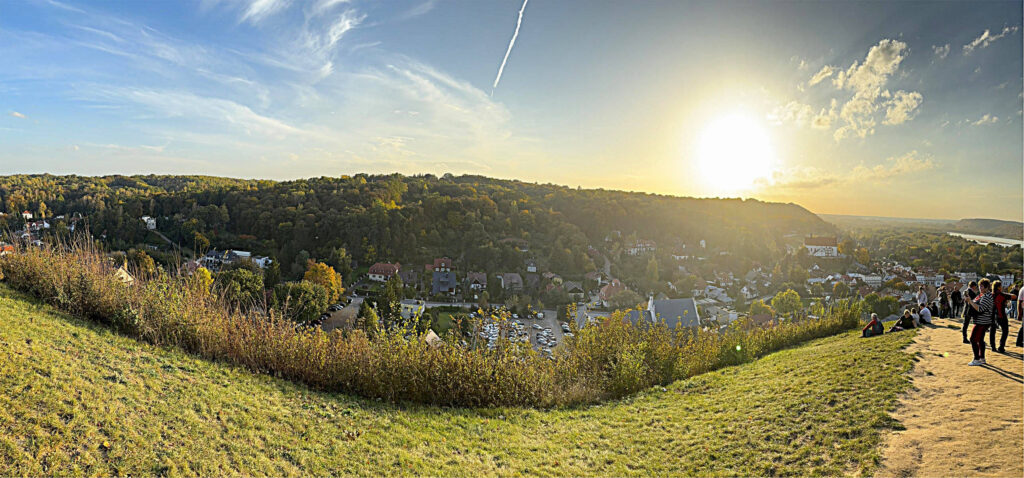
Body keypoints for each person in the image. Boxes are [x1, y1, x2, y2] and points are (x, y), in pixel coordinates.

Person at [963, 278, 995, 366]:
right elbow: (975, 303)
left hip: (982, 321)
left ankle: (977, 359)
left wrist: (970, 301)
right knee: (980, 340)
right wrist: (969, 300)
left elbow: (980, 308)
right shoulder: (983, 295)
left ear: (986, 287)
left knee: (973, 339)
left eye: (982, 286)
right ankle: (982, 358)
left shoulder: (987, 296)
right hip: (981, 321)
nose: (980, 288)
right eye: (979, 286)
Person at [988, 280, 1017, 353]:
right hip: (1001, 315)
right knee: (1005, 331)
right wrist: (1005, 295)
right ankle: (1001, 346)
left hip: (991, 316)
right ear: (998, 287)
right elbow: (1014, 296)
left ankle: (993, 347)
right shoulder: (1002, 295)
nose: (1002, 287)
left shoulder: (990, 295)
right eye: (1001, 286)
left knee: (992, 331)